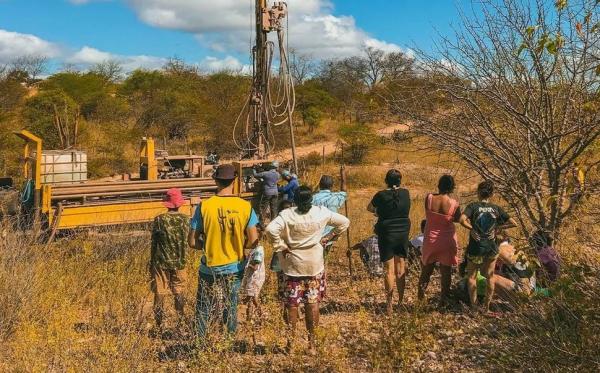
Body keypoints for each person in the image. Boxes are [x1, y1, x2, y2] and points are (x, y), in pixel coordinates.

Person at [266, 186, 350, 354]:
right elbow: (345, 222)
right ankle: (312, 344)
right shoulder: (320, 212)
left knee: (292, 304)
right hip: (314, 264)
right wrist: (328, 237)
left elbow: (270, 229)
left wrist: (280, 245)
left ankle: (290, 343)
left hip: (292, 265)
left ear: (295, 200)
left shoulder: (287, 214)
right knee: (312, 303)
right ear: (311, 200)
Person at [188, 164, 260, 342]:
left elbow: (191, 241)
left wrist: (206, 245)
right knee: (231, 304)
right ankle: (228, 341)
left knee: (204, 305)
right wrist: (239, 245)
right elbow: (253, 240)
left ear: (215, 180)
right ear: (234, 180)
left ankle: (201, 342)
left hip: (209, 267)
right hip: (234, 267)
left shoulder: (204, 207)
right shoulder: (245, 207)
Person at [459, 180, 517, 313]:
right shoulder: (496, 208)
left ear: (478, 192)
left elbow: (462, 220)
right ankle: (486, 307)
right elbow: (513, 223)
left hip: (476, 248)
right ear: (491, 194)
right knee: (490, 276)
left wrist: (472, 228)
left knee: (472, 277)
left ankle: (473, 307)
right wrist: (497, 227)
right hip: (491, 248)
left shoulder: (473, 206)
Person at [368, 169, 411, 314]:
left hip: (386, 232)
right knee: (401, 267)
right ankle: (400, 301)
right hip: (403, 231)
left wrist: (378, 212)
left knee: (388, 269)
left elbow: (370, 208)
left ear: (386, 180)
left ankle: (389, 304)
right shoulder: (406, 193)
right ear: (400, 180)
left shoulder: (381, 195)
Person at [150, 188, 190, 334]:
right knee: (179, 290)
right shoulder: (186, 220)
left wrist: (151, 261)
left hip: (160, 261)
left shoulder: (159, 219)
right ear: (180, 204)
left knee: (160, 292)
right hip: (180, 261)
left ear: (166, 204)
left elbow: (154, 242)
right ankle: (180, 321)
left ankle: (159, 325)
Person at [418, 175, 462, 305]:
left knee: (426, 270)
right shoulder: (454, 203)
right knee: (446, 272)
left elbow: (427, 212)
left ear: (439, 185)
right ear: (452, 187)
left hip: (431, 240)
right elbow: (457, 219)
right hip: (447, 239)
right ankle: (443, 300)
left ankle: (420, 299)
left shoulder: (429, 198)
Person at [240, 227, 266, 347]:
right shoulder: (255, 249)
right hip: (253, 278)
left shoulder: (258, 250)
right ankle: (251, 315)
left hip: (255, 277)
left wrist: (245, 264)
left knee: (253, 298)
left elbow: (255, 266)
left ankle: (260, 313)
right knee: (251, 298)